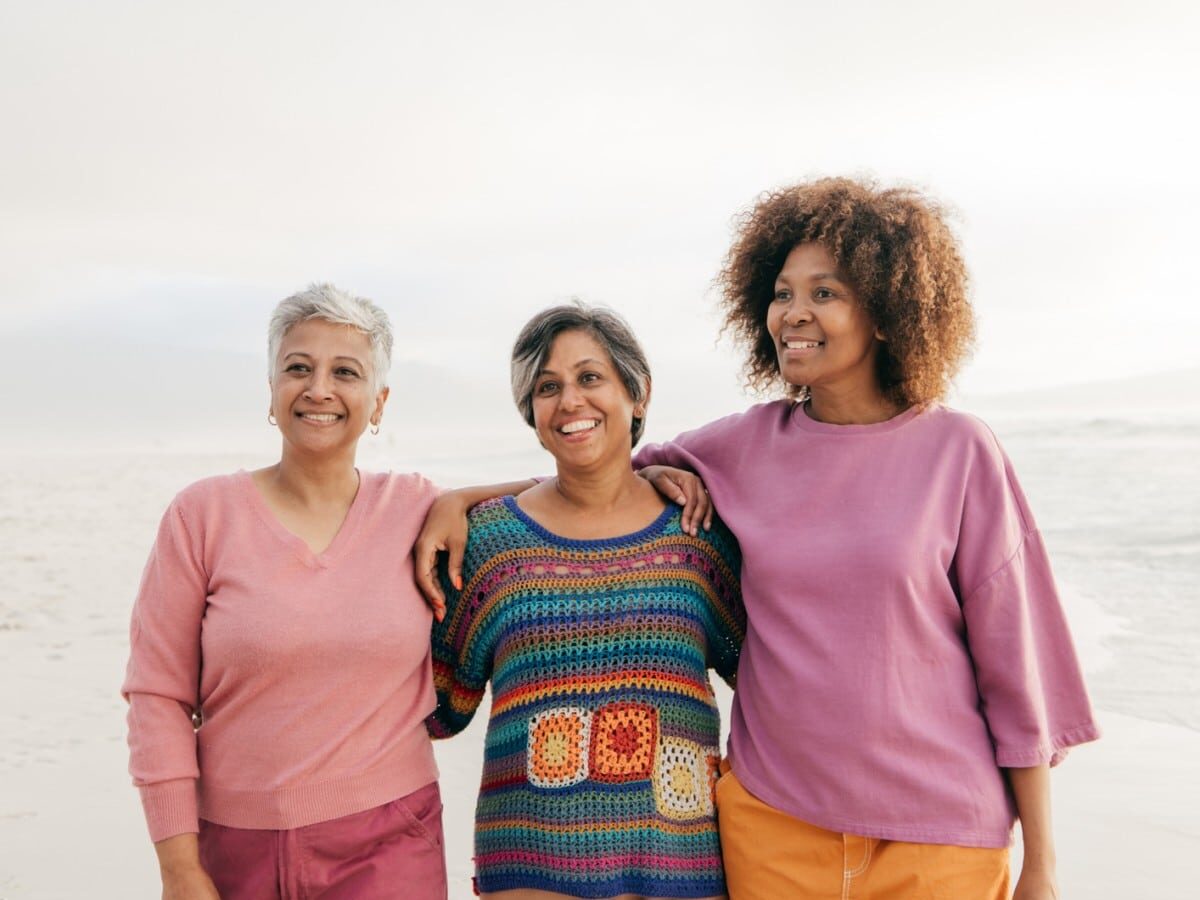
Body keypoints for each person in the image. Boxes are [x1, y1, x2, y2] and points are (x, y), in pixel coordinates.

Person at [417, 179, 1100, 900]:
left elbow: (1015, 667)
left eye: (825, 293)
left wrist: (1043, 865)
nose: (794, 314)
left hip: (938, 836)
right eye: (781, 293)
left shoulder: (959, 451)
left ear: (889, 311)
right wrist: (461, 500)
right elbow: (592, 468)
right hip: (774, 829)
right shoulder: (740, 446)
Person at [123, 283, 527, 899]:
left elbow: (561, 497)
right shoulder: (201, 516)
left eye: (346, 372)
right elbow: (158, 697)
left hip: (389, 838)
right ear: (271, 391)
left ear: (378, 402)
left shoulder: (418, 507)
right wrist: (179, 868)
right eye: (297, 368)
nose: (319, 389)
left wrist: (654, 469)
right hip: (232, 844)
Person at [426, 303, 745, 900]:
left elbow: (771, 677)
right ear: (533, 413)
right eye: (548, 387)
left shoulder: (697, 535)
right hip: (531, 872)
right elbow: (435, 707)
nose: (570, 400)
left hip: (682, 868)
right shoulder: (489, 542)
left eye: (590, 377)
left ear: (638, 393)